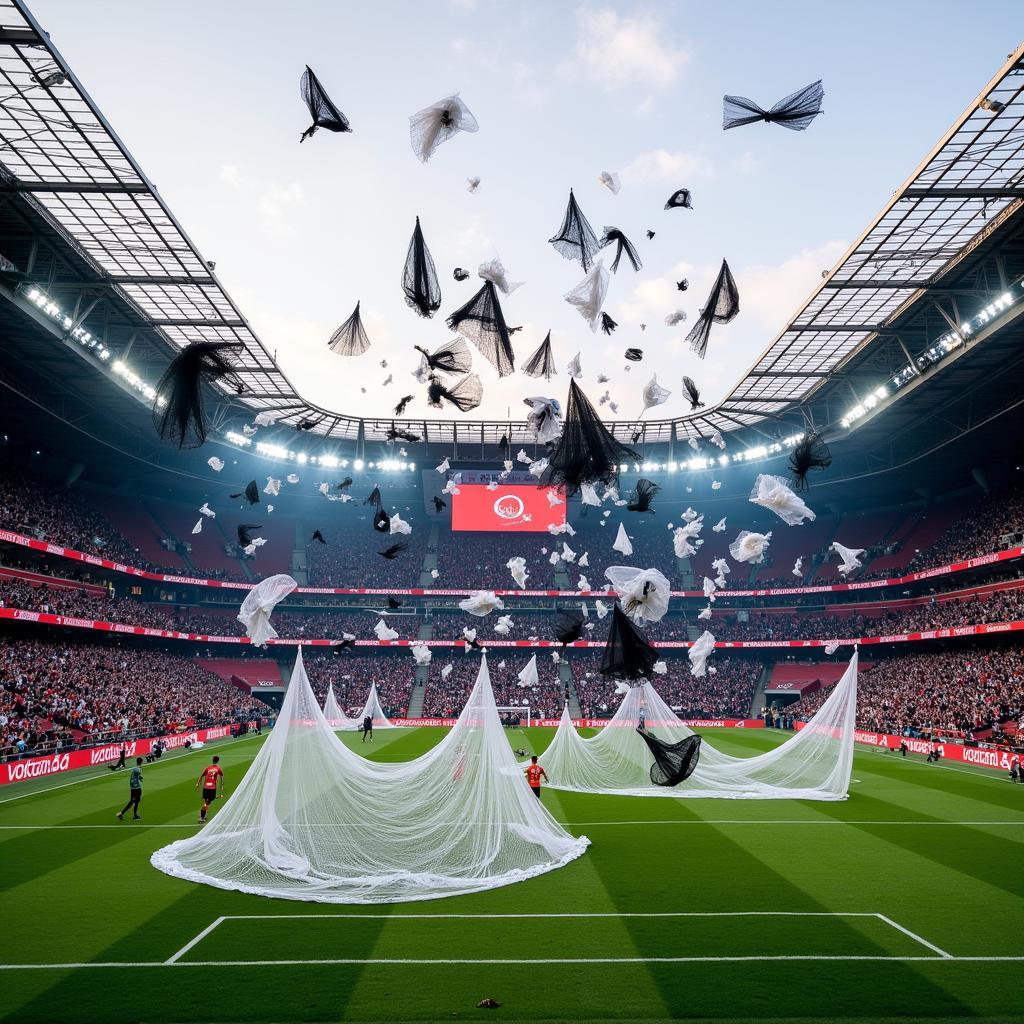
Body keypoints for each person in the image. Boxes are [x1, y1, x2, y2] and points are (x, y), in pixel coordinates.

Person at [196, 755, 224, 824]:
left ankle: (204, 814)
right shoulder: (218, 768)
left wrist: (197, 783)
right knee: (207, 803)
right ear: (217, 761)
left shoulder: (207, 768)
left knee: (206, 801)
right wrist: (222, 785)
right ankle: (202, 816)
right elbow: (222, 775)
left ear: (212, 760)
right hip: (212, 788)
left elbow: (201, 775)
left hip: (205, 788)